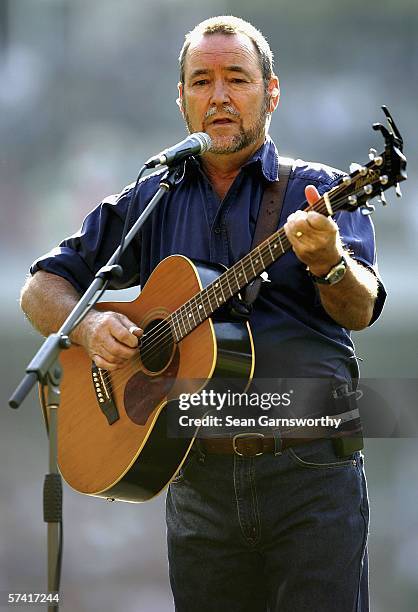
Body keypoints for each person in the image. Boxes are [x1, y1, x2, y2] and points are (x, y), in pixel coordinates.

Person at [20, 15, 385, 612]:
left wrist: (329, 264)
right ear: (182, 99)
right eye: (201, 81)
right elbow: (42, 287)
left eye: (236, 79)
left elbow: (361, 307)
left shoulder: (318, 190)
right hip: (196, 481)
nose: (219, 96)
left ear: (271, 92)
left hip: (310, 475)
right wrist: (87, 325)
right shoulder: (153, 196)